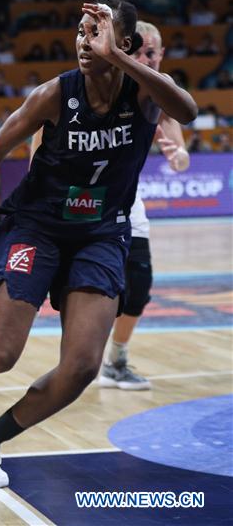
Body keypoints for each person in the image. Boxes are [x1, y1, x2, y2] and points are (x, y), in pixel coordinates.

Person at [0, 0, 197, 489]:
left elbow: (189, 109)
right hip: (37, 227)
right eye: (79, 32)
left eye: (95, 34)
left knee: (80, 368)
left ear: (122, 44)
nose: (83, 41)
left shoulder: (143, 95)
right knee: (1, 357)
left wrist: (120, 60)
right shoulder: (54, 95)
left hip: (101, 233)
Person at [98, 21, 190, 390]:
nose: (144, 59)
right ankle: (78, 357)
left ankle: (115, 361)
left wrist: (178, 153)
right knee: (86, 286)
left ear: (161, 55)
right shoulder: (103, 82)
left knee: (139, 285)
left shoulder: (162, 89)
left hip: (127, 199)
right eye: (137, 52)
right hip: (86, 199)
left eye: (151, 53)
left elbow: (180, 155)